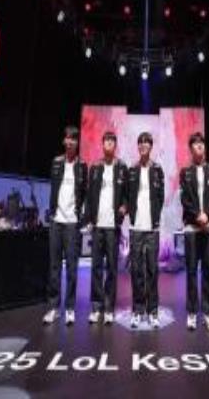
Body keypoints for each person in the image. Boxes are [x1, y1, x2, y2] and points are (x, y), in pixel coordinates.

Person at [43, 125, 88, 326]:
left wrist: (82, 217)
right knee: (54, 266)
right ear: (64, 141)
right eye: (68, 138)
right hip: (56, 220)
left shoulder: (82, 166)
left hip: (72, 223)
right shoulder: (56, 162)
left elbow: (85, 194)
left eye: (74, 139)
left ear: (77, 143)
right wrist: (52, 212)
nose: (70, 142)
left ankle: (70, 308)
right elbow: (54, 189)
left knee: (71, 267)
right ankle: (53, 307)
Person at [179, 132, 209, 332]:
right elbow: (185, 199)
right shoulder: (185, 172)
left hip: (208, 228)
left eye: (201, 143)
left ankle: (208, 313)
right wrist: (198, 215)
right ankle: (191, 312)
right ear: (191, 149)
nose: (199, 146)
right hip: (192, 228)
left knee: (207, 271)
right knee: (191, 272)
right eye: (195, 144)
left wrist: (208, 215)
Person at [86, 131, 128, 325]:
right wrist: (89, 219)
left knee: (111, 267)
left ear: (115, 145)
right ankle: (96, 307)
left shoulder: (122, 167)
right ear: (102, 145)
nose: (109, 144)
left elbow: (127, 193)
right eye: (106, 141)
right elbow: (89, 196)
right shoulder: (95, 167)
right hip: (97, 225)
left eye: (112, 141)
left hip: (113, 226)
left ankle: (109, 307)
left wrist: (125, 206)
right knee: (96, 267)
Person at [127, 132, 165, 329]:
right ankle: (137, 310)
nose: (143, 145)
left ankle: (153, 311)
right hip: (135, 228)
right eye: (140, 143)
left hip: (152, 229)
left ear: (151, 146)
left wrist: (156, 218)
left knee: (152, 270)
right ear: (138, 147)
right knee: (136, 271)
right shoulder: (131, 170)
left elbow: (161, 197)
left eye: (146, 143)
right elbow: (127, 195)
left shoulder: (157, 170)